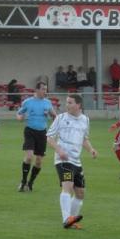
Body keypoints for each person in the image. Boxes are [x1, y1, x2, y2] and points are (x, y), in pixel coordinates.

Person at [46, 94, 97, 229]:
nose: (66, 105)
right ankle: (66, 219)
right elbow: (49, 138)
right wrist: (59, 151)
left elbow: (84, 139)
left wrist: (91, 149)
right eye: (66, 102)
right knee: (67, 186)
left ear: (78, 105)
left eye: (70, 102)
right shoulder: (60, 118)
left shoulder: (85, 120)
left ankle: (72, 220)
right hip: (63, 160)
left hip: (76, 162)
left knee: (80, 193)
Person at [16, 82, 57, 191]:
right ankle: (23, 181)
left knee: (38, 161)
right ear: (37, 90)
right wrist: (20, 118)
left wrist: (54, 119)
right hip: (29, 131)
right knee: (29, 157)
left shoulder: (47, 103)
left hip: (42, 133)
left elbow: (54, 115)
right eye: (43, 89)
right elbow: (19, 114)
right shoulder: (28, 102)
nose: (45, 91)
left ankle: (30, 183)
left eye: (46, 89)